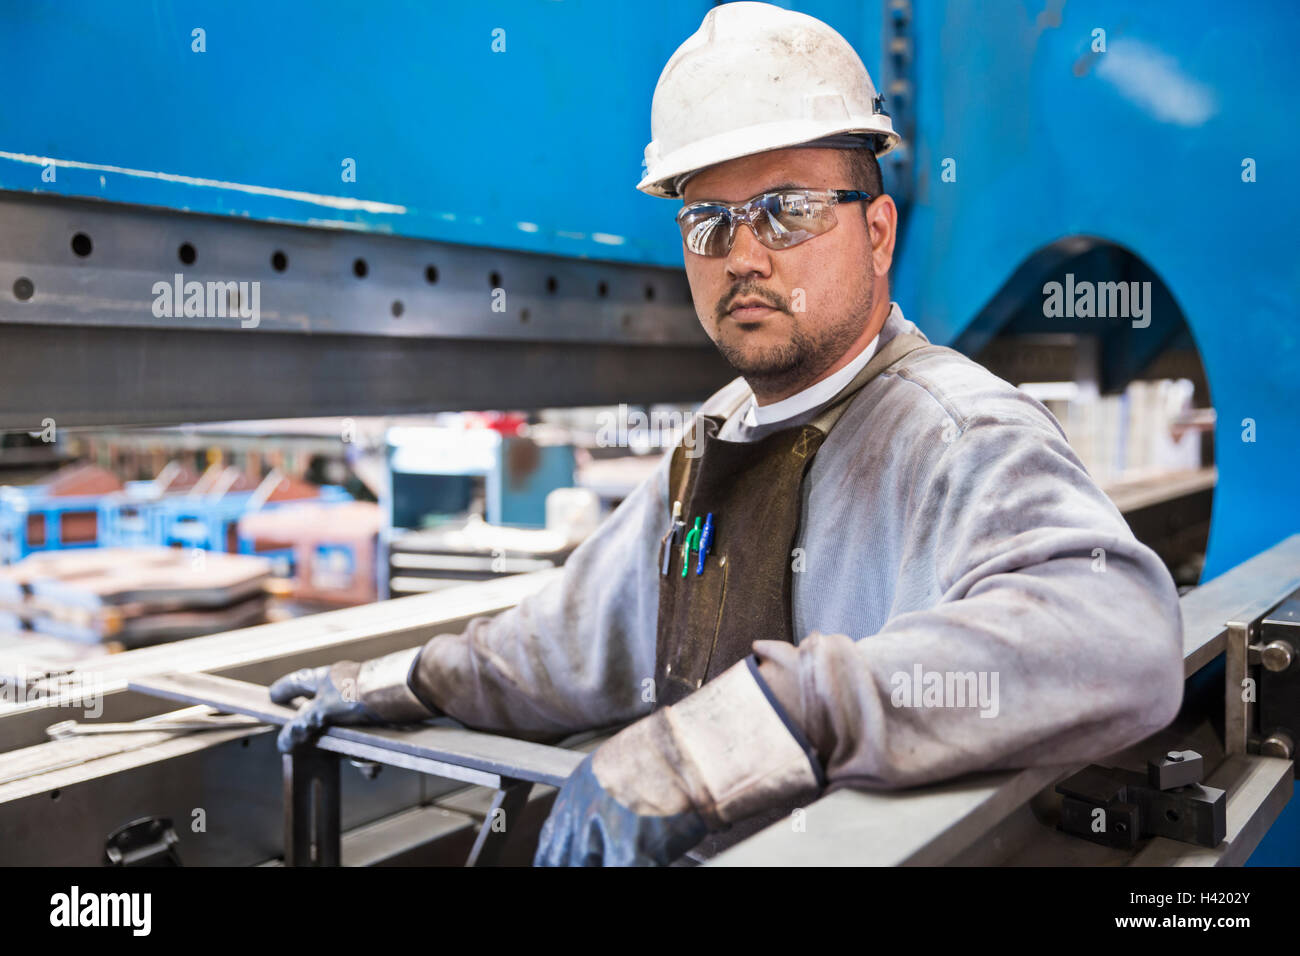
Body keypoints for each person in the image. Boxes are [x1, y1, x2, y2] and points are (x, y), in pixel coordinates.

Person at [270, 2, 1184, 867]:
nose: (744, 255)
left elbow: (1119, 638)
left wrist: (779, 716)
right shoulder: (718, 434)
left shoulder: (950, 429)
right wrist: (411, 681)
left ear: (877, 231)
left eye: (787, 209)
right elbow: (581, 632)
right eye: (708, 222)